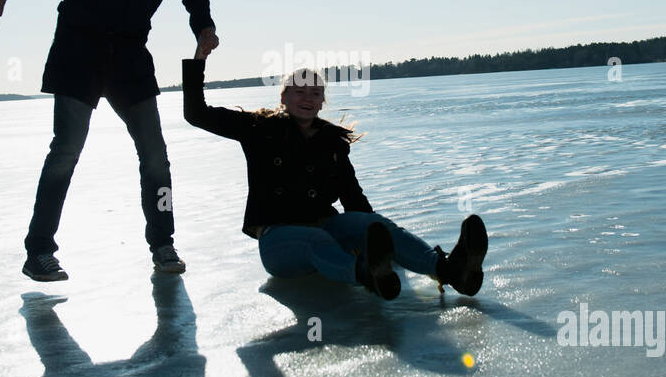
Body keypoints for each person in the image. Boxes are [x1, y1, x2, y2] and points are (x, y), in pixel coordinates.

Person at [0, 0, 220, 281]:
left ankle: (163, 244)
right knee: (66, 151)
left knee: (156, 157)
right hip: (81, 48)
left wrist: (203, 25)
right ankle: (38, 251)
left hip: (130, 54)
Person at [180, 48, 486, 299]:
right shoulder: (259, 128)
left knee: (373, 223)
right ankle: (366, 275)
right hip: (279, 241)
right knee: (314, 239)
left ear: (322, 101)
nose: (307, 98)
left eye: (315, 93)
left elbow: (352, 196)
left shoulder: (332, 142)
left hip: (328, 227)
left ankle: (450, 270)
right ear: (283, 97)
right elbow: (196, 114)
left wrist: (374, 237)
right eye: (298, 91)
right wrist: (199, 57)